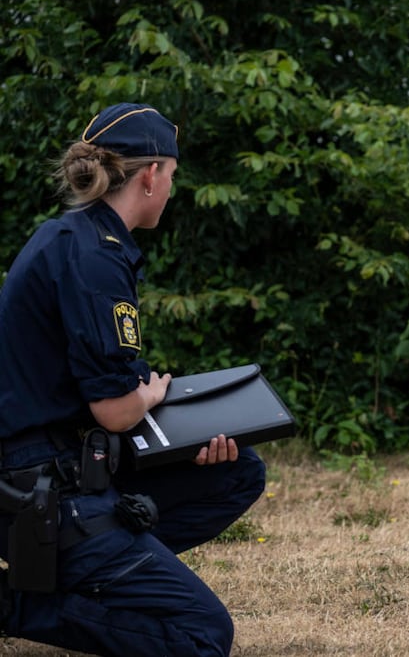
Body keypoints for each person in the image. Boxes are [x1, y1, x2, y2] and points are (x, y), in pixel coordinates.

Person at [0, 103, 267, 656]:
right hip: (41, 490)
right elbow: (116, 410)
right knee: (203, 635)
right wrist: (148, 393)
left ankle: (103, 571)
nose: (170, 189)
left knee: (238, 470)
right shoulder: (95, 258)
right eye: (171, 175)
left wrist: (177, 433)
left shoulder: (72, 237)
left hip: (63, 466)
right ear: (150, 175)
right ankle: (17, 603)